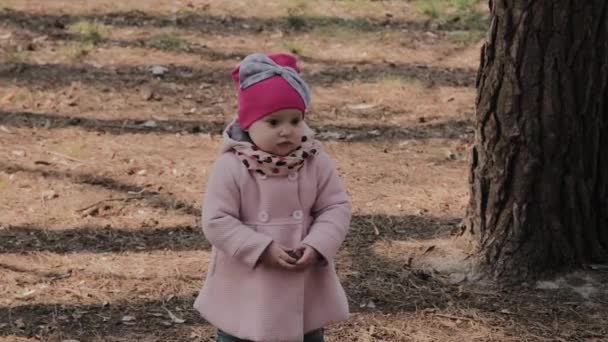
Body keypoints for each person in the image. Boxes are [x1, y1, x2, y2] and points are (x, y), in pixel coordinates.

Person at [193, 52, 352, 342]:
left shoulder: (314, 160)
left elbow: (335, 207)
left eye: (295, 120)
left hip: (304, 279)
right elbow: (217, 220)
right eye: (273, 122)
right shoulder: (232, 165)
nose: (286, 131)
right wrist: (261, 248)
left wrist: (317, 245)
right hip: (246, 280)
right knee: (239, 334)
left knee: (307, 332)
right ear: (249, 123)